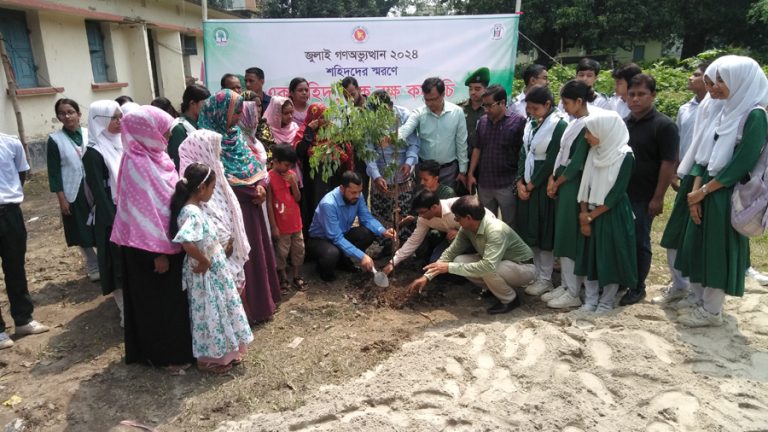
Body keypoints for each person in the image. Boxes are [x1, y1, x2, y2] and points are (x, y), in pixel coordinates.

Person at [677, 56, 768, 327]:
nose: (715, 87)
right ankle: (700, 299)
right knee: (696, 244)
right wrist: (695, 192)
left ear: (741, 82)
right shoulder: (726, 110)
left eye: (721, 80)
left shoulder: (755, 115)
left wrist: (704, 192)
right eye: (714, 80)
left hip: (723, 191)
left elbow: (742, 162)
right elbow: (705, 154)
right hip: (707, 186)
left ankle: (711, 311)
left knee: (715, 249)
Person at [110, 105, 193, 370]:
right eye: (163, 132)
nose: (167, 138)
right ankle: (165, 357)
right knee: (160, 305)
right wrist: (159, 253)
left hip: (167, 243)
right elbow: (144, 216)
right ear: (147, 131)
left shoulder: (156, 157)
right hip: (149, 251)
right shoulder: (137, 164)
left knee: (172, 303)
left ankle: (172, 350)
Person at [197, 89, 282, 324]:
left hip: (254, 206)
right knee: (244, 260)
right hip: (233, 212)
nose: (237, 118)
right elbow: (217, 180)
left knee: (258, 253)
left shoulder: (236, 137)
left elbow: (256, 167)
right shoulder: (209, 141)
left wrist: (263, 185)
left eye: (238, 113)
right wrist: (252, 190)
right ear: (219, 113)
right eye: (234, 113)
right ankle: (249, 311)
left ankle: (265, 302)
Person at [170, 162, 253, 374]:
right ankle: (210, 359)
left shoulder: (197, 209)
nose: (213, 191)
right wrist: (205, 260)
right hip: (206, 273)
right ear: (201, 188)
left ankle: (228, 352)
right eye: (212, 187)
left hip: (215, 270)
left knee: (220, 310)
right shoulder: (191, 213)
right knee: (210, 314)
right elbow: (187, 242)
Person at [657, 60, 722, 307]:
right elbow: (690, 145)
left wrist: (702, 187)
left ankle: (702, 298)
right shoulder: (690, 108)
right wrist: (679, 172)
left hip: (710, 180)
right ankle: (682, 286)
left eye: (706, 78)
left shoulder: (739, 112)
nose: (695, 79)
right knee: (676, 235)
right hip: (690, 174)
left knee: (699, 240)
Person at [407, 195, 535, 314]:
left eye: (457, 217)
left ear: (468, 218)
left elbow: (488, 266)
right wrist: (427, 277)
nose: (455, 220)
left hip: (523, 267)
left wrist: (448, 267)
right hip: (501, 263)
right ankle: (494, 289)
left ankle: (510, 299)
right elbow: (451, 252)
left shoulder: (495, 230)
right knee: (458, 260)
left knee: (487, 268)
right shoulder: (466, 229)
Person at [619, 74, 679, 306]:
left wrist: (658, 197)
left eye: (641, 94)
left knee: (639, 241)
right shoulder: (624, 123)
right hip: (622, 193)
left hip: (645, 195)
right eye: (631, 94)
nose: (635, 99)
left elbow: (668, 163)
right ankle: (624, 279)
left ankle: (637, 287)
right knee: (623, 238)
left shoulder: (664, 126)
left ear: (653, 95)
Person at [575, 111, 638, 312]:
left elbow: (616, 193)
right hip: (590, 214)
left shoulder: (624, 155)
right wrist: (584, 213)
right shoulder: (595, 151)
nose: (587, 137)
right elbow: (585, 185)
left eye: (589, 132)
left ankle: (606, 302)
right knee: (588, 257)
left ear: (605, 131)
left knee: (609, 258)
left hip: (611, 214)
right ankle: (591, 300)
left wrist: (591, 216)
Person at [544, 81, 598, 309]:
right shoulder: (574, 122)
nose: (564, 107)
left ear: (579, 101)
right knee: (562, 236)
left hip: (574, 186)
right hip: (563, 184)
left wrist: (558, 181)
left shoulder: (589, 124)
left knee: (570, 238)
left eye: (566, 102)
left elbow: (576, 163)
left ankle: (574, 290)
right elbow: (561, 155)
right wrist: (552, 178)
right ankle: (567, 285)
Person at [178, 128, 250, 296]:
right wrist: (226, 241)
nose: (219, 154)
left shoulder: (214, 174)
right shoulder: (197, 184)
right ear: (203, 151)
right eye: (214, 150)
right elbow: (206, 221)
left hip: (226, 247)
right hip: (215, 254)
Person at [515, 85, 567, 297]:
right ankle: (536, 273)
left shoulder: (558, 125)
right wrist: (520, 180)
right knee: (531, 230)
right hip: (526, 183)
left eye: (536, 108)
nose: (532, 112)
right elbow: (522, 153)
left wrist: (532, 184)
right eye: (529, 108)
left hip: (542, 186)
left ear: (547, 104)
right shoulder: (531, 123)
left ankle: (546, 278)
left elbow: (553, 158)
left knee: (544, 230)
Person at [0, 133, 50, 350]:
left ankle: (23, 320)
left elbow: (21, 174)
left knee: (15, 268)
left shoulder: (10, 143)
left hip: (10, 213)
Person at [308, 171, 396, 282]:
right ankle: (324, 270)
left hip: (342, 235)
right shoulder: (328, 204)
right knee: (331, 253)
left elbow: (366, 218)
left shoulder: (357, 196)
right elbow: (336, 238)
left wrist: (383, 231)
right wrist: (362, 256)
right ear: (342, 189)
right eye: (353, 192)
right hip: (321, 240)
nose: (357, 196)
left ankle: (342, 261)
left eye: (359, 192)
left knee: (366, 234)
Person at [83, 100, 125, 324]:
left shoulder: (120, 144)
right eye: (114, 118)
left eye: (121, 117)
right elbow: (99, 192)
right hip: (111, 217)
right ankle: (124, 313)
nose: (120, 122)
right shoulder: (93, 153)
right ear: (100, 121)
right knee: (115, 263)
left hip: (127, 212)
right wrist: (116, 223)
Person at [383, 191, 496, 275]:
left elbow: (486, 217)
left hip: (479, 237)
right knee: (435, 263)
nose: (420, 216)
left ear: (434, 207)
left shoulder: (456, 205)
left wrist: (461, 232)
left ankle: (472, 270)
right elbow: (414, 241)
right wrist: (393, 261)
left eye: (422, 212)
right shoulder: (424, 219)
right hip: (454, 241)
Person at [47, 98, 97, 281]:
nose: (67, 116)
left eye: (70, 112)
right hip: (73, 190)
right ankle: (92, 263)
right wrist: (62, 199)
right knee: (79, 229)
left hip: (93, 187)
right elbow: (54, 173)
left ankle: (104, 260)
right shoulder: (55, 140)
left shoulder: (88, 134)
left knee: (98, 225)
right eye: (62, 113)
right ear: (58, 117)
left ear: (79, 114)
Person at [365, 90, 420, 251]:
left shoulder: (403, 116)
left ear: (390, 106)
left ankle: (403, 250)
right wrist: (375, 176)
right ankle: (386, 247)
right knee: (380, 214)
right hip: (381, 174)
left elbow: (413, 144)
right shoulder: (369, 120)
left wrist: (409, 163)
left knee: (403, 215)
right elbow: (369, 152)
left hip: (402, 172)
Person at [467, 84, 526, 227]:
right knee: (487, 223)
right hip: (485, 183)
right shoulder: (482, 122)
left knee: (510, 224)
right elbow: (477, 148)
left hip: (507, 183)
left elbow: (523, 154)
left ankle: (510, 249)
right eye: (484, 106)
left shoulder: (518, 122)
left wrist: (520, 179)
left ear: (503, 103)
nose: (486, 110)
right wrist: (471, 173)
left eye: (489, 106)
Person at [294, 103, 354, 240]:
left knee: (333, 209)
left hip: (333, 179)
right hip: (313, 182)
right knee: (316, 209)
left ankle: (336, 239)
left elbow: (346, 152)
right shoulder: (304, 130)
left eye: (325, 117)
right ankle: (316, 242)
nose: (323, 121)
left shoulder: (332, 131)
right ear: (313, 117)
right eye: (320, 117)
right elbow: (300, 151)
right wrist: (309, 131)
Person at [398, 77, 469, 190]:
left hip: (448, 171)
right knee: (424, 204)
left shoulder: (457, 113)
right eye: (426, 99)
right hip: (424, 171)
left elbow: (461, 143)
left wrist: (462, 171)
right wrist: (391, 138)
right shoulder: (419, 113)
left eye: (433, 99)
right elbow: (406, 129)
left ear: (443, 95)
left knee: (446, 203)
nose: (429, 103)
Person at [267, 144, 306, 290]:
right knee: (282, 252)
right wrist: (273, 226)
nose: (287, 168)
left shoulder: (291, 175)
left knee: (299, 249)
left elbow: (298, 198)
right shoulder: (269, 178)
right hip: (281, 225)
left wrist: (293, 184)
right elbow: (269, 204)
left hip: (296, 222)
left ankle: (297, 275)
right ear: (275, 162)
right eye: (285, 165)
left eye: (290, 165)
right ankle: (283, 277)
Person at [458, 67, 489, 195]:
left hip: (484, 162)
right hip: (463, 160)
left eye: (477, 89)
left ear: (485, 89)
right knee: (464, 199)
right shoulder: (459, 108)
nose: (473, 92)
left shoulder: (490, 109)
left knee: (484, 199)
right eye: (470, 89)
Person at [168, 84, 211, 170]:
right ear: (192, 103)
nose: (208, 107)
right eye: (205, 104)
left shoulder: (201, 123)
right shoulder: (179, 128)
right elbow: (179, 162)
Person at [676, 62, 709, 162]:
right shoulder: (684, 109)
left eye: (697, 75)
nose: (690, 78)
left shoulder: (718, 109)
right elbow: (678, 139)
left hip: (704, 168)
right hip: (683, 168)